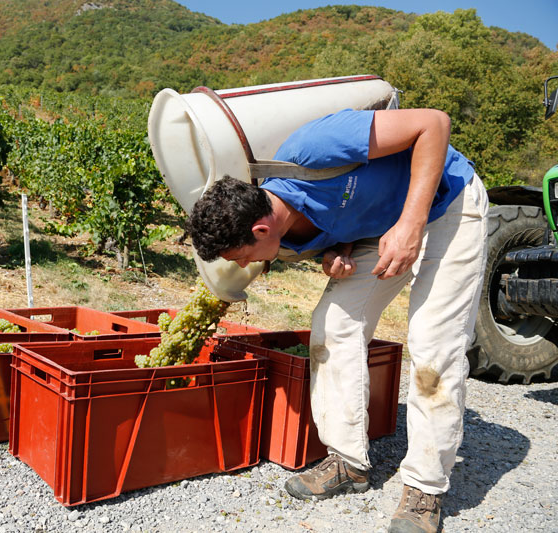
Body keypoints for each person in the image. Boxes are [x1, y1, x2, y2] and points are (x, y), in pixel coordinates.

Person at [187, 108, 488, 533]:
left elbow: (434, 124)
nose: (244, 267)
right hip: (385, 223)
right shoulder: (285, 237)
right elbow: (345, 212)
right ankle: (348, 463)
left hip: (446, 201)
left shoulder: (313, 150)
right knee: (333, 325)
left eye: (240, 258)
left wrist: (411, 222)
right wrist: (337, 251)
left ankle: (424, 489)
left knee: (433, 343)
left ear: (259, 231)